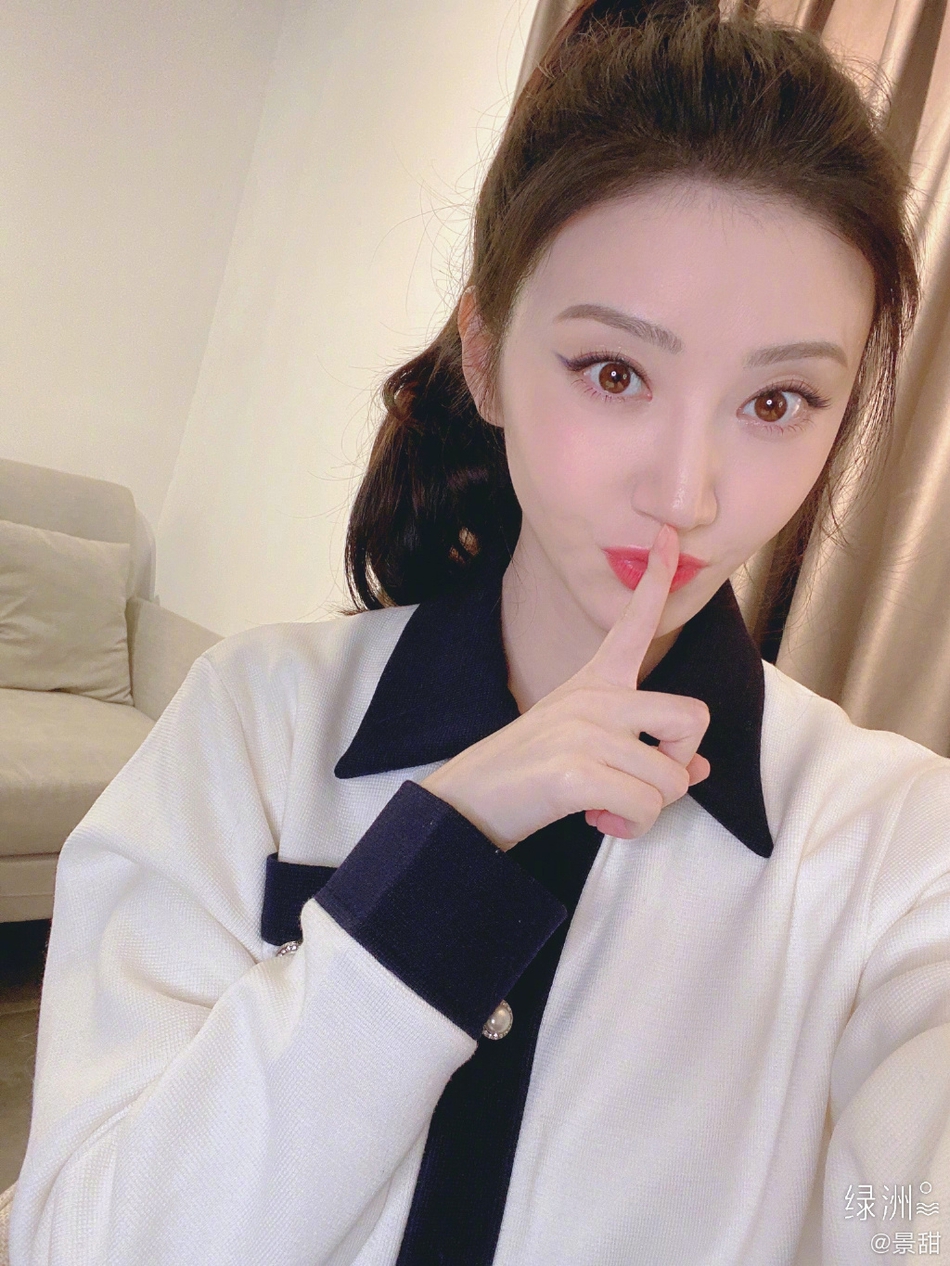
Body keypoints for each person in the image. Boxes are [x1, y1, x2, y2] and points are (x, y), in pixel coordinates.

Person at [9, 0, 948, 1263]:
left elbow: (900, 1215)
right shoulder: (255, 722)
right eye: (613, 373)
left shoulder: (893, 843)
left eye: (776, 401)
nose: (687, 492)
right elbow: (88, 1241)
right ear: (487, 354)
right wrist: (441, 856)